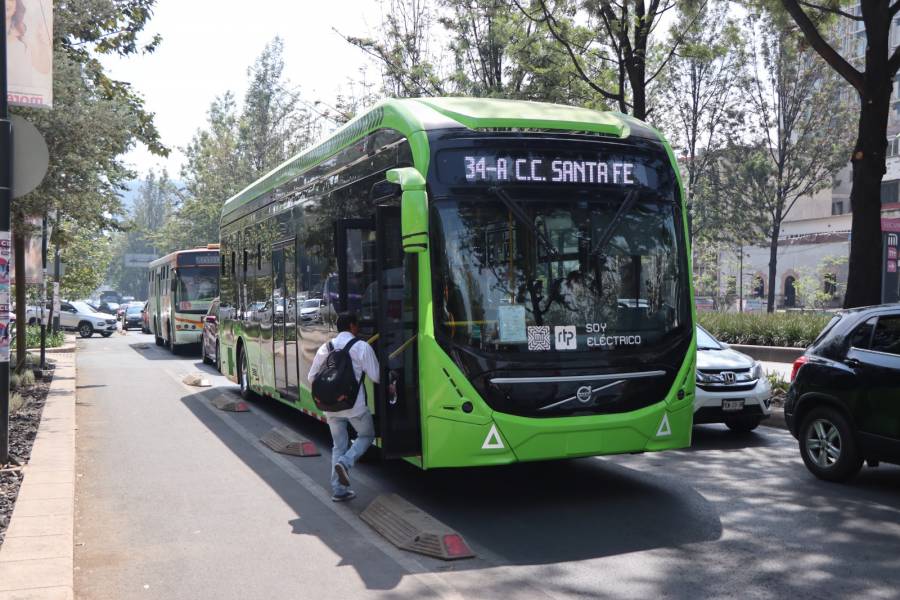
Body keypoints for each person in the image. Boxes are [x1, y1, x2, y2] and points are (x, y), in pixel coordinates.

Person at [308, 312, 379, 502]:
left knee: (338, 445)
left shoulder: (326, 347)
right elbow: (376, 376)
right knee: (366, 436)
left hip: (330, 406)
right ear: (353, 326)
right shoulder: (361, 347)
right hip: (354, 405)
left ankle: (339, 490)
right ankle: (346, 462)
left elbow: (311, 377)